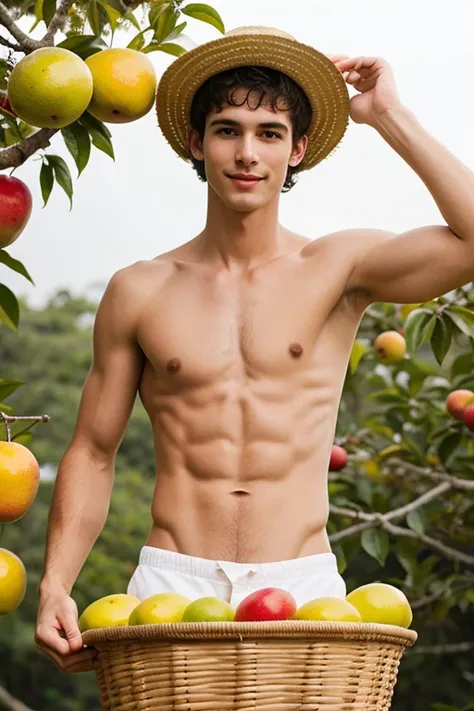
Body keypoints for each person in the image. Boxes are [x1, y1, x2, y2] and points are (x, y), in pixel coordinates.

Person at [35, 25, 474, 674]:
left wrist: (390, 116)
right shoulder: (139, 289)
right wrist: (54, 584)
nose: (247, 152)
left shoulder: (341, 266)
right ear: (197, 141)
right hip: (170, 585)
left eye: (269, 134)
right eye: (227, 129)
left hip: (303, 587)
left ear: (297, 149)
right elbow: (94, 451)